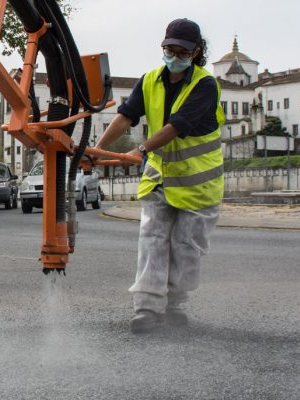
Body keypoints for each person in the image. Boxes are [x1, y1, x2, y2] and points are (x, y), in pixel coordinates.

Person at [93, 18, 225, 334]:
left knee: (185, 247)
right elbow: (126, 117)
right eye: (169, 48)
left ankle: (174, 303)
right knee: (151, 241)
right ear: (163, 47)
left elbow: (176, 126)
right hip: (159, 180)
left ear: (195, 53)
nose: (174, 54)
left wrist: (142, 149)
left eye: (182, 50)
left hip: (198, 186)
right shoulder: (150, 80)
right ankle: (147, 310)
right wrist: (97, 150)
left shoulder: (206, 85)